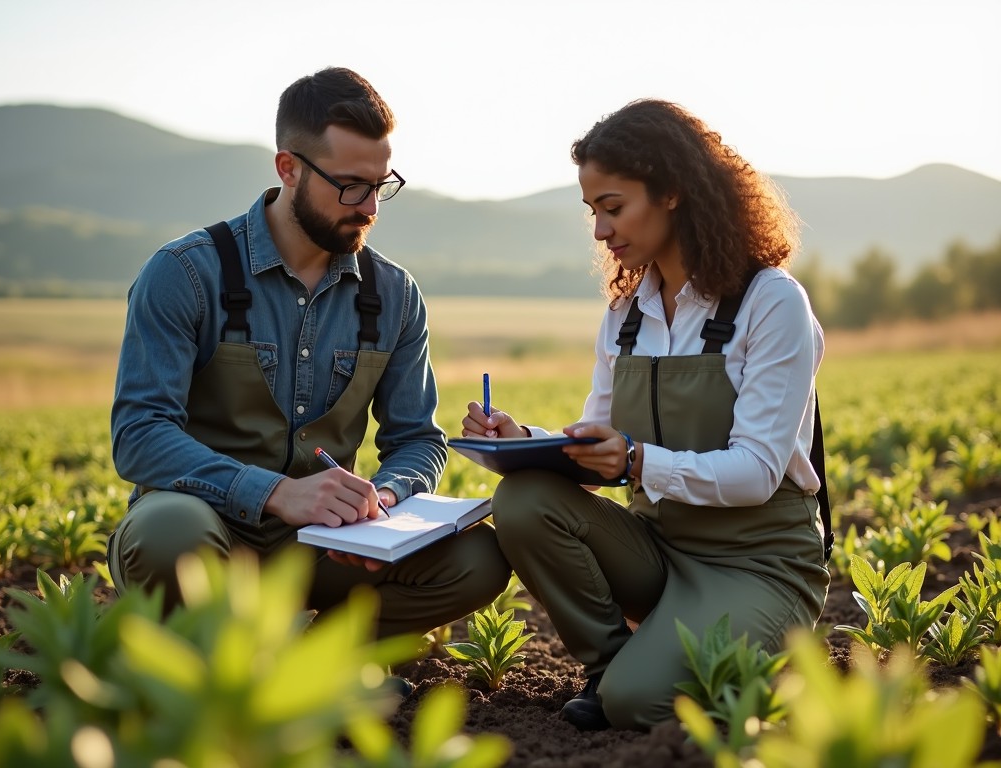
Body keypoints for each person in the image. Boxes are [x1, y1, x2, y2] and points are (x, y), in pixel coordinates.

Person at [108, 67, 510, 653]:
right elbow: (139, 435)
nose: (370, 206)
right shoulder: (186, 273)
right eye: (350, 185)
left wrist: (384, 500)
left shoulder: (395, 294)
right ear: (288, 168)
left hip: (321, 545)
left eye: (381, 184)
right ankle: (218, 660)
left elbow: (418, 439)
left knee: (478, 557)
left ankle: (318, 660)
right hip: (206, 527)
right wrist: (275, 492)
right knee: (169, 532)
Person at [460, 99, 831, 731]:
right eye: (593, 213)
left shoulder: (769, 303)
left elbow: (757, 473)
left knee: (643, 705)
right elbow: (595, 446)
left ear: (673, 193)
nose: (601, 232)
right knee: (523, 498)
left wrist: (634, 459)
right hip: (658, 548)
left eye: (613, 207)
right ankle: (611, 663)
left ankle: (740, 656)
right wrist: (527, 441)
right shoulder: (625, 316)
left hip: (757, 563)